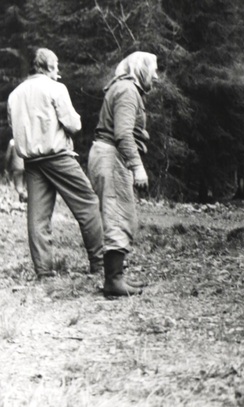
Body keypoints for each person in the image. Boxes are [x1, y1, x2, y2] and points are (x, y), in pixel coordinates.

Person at [7, 48, 104, 278]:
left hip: (32, 161)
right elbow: (73, 124)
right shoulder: (55, 88)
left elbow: (15, 128)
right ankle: (100, 265)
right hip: (58, 157)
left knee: (37, 218)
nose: (58, 70)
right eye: (56, 65)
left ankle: (44, 273)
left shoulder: (15, 94)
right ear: (47, 67)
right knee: (88, 203)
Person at [88, 51, 158, 297]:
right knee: (118, 215)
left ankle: (116, 277)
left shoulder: (122, 88)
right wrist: (137, 166)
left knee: (119, 214)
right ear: (141, 70)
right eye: (153, 71)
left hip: (107, 154)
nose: (156, 77)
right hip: (111, 156)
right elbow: (123, 134)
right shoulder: (128, 91)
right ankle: (113, 281)